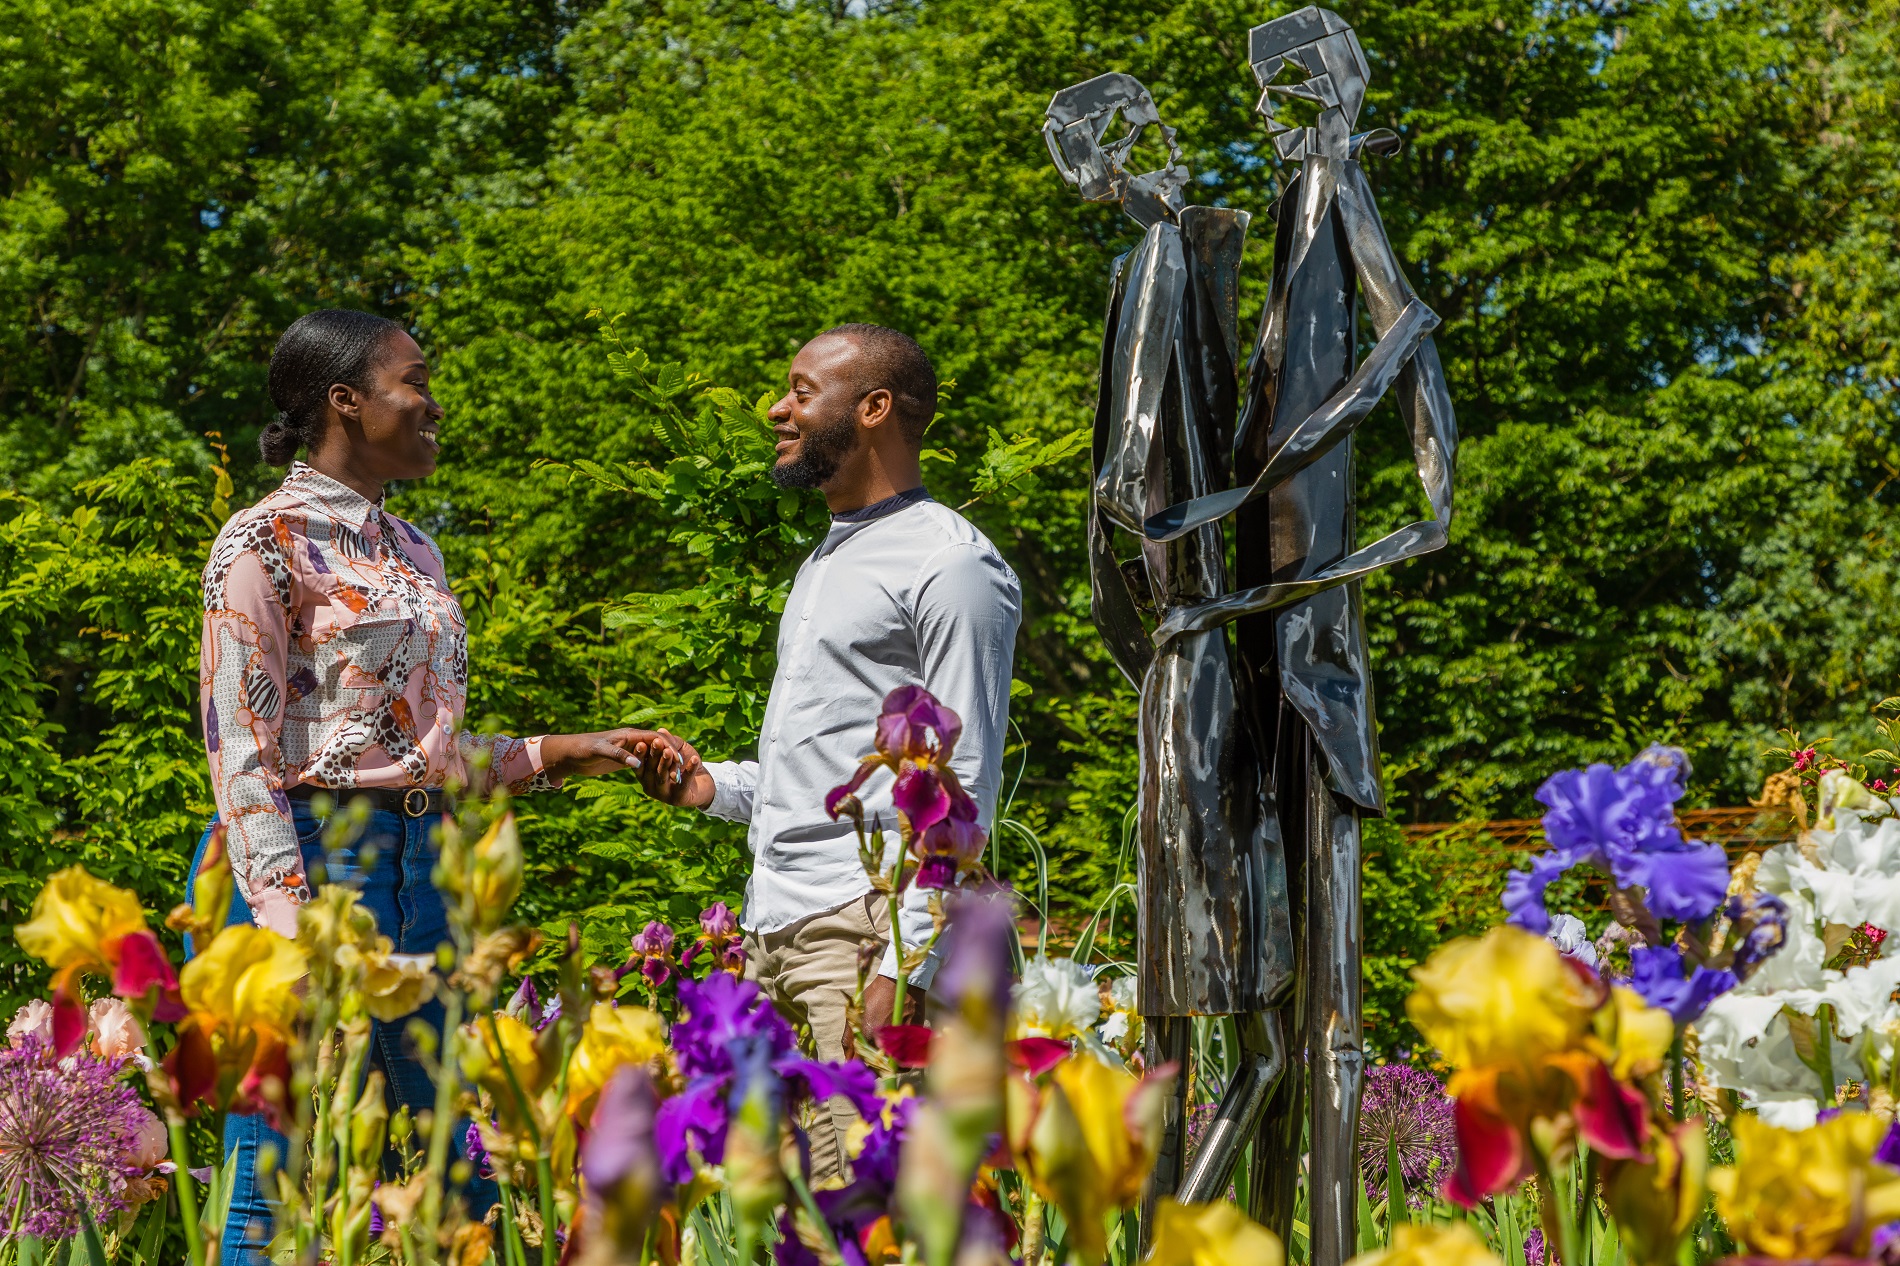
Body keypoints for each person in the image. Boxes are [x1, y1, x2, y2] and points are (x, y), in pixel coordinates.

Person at [192, 309, 666, 1265]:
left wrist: (556, 751)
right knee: (274, 1179)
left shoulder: (415, 551)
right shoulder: (263, 543)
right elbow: (239, 749)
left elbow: (417, 748)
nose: (432, 401)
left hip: (429, 874)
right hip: (317, 873)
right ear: (344, 401)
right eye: (414, 380)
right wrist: (290, 928)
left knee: (458, 1173)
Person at [638, 323, 1022, 1178]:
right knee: (782, 1217)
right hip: (775, 928)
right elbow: (821, 767)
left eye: (802, 391)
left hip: (861, 936)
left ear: (875, 409)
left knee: (863, 1207)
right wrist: (713, 788)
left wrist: (900, 961)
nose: (778, 408)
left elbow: (964, 787)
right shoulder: (831, 555)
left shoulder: (950, 565)